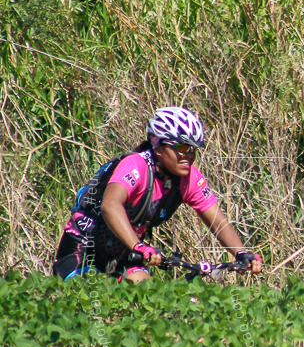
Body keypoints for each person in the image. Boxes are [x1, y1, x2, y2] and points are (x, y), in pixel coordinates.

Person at [52, 107, 263, 281]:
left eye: (193, 149)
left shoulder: (189, 178)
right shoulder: (136, 165)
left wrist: (242, 253)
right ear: (157, 145)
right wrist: (139, 245)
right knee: (88, 304)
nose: (188, 155)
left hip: (127, 253)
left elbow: (219, 222)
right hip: (84, 248)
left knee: (152, 302)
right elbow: (110, 205)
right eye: (181, 147)